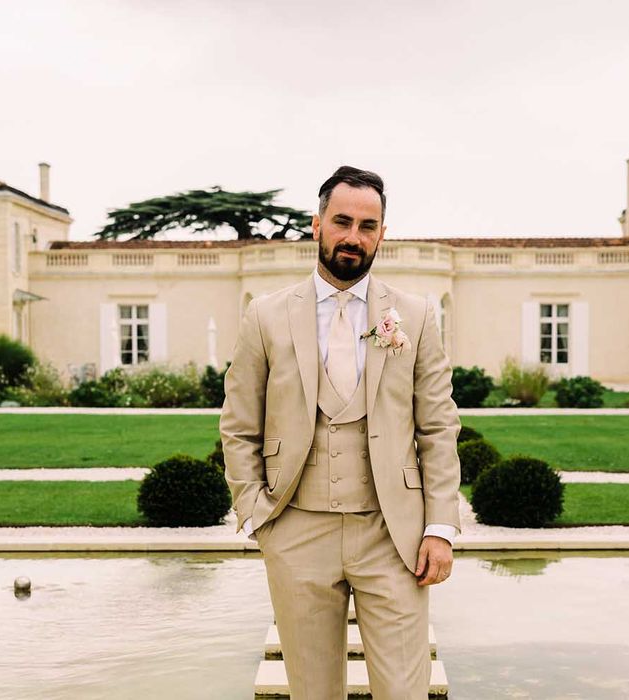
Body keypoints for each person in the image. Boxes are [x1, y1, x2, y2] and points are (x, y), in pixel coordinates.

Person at [220, 165, 461, 699]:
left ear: (381, 234)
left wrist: (440, 527)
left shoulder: (415, 317)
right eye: (343, 221)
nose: (354, 236)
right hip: (296, 530)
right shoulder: (266, 316)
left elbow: (439, 428)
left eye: (368, 226)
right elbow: (238, 426)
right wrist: (257, 514)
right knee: (313, 692)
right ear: (317, 224)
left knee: (405, 691)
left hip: (392, 535)